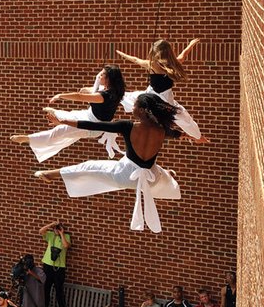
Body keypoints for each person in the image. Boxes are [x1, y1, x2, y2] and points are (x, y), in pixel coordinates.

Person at [34, 93, 184, 233]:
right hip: (151, 179)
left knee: (89, 167)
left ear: (143, 110)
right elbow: (177, 134)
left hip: (126, 175)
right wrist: (192, 136)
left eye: (135, 106)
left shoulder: (128, 126)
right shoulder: (163, 130)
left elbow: (93, 125)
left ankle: (52, 174)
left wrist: (62, 121)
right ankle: (167, 175)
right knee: (157, 172)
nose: (132, 108)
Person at [11, 65, 128, 161]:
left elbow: (80, 97)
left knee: (59, 132)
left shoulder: (103, 96)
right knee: (69, 116)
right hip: (89, 116)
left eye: (102, 75)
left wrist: (60, 96)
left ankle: (28, 139)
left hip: (91, 126)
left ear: (108, 79)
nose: (99, 77)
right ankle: (56, 114)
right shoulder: (112, 91)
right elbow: (91, 90)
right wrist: (88, 88)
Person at [117, 38, 204, 140]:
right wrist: (191, 45)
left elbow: (136, 60)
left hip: (152, 96)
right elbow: (183, 55)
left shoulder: (153, 65)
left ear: (156, 52)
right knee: (184, 118)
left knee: (126, 96)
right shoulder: (173, 63)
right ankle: (198, 136)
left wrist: (122, 54)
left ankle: (108, 92)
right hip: (166, 99)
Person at [38, 221, 71, 307]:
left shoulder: (66, 237)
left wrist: (61, 234)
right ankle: (45, 304)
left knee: (59, 287)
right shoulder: (50, 235)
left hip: (60, 266)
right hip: (48, 264)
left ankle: (62, 306)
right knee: (46, 285)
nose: (56, 230)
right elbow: (41, 231)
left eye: (58, 228)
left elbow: (66, 245)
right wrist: (51, 225)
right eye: (55, 228)